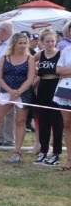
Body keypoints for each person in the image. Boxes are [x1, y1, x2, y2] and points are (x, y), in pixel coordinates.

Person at [0, 32, 36, 163]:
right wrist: (10, 91)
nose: (22, 45)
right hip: (6, 91)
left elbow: (30, 78)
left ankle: (17, 151)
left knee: (20, 121)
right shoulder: (4, 57)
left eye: (25, 43)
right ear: (14, 44)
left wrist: (18, 92)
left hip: (23, 93)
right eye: (20, 43)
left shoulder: (30, 59)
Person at [32, 29, 63, 166]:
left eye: (52, 41)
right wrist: (35, 74)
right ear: (42, 42)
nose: (50, 44)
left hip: (56, 87)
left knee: (56, 122)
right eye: (47, 41)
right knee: (43, 121)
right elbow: (30, 64)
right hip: (43, 87)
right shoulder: (39, 54)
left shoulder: (61, 54)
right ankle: (43, 151)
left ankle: (56, 154)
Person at [0, 21, 16, 147]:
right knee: (0, 110)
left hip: (9, 82)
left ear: (3, 31)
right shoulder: (3, 44)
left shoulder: (12, 44)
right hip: (1, 81)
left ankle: (9, 139)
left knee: (9, 112)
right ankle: (0, 137)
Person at [53, 44, 71, 171]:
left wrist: (66, 72)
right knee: (68, 124)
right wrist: (64, 73)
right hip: (66, 91)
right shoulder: (66, 51)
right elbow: (59, 71)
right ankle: (69, 159)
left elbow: (64, 72)